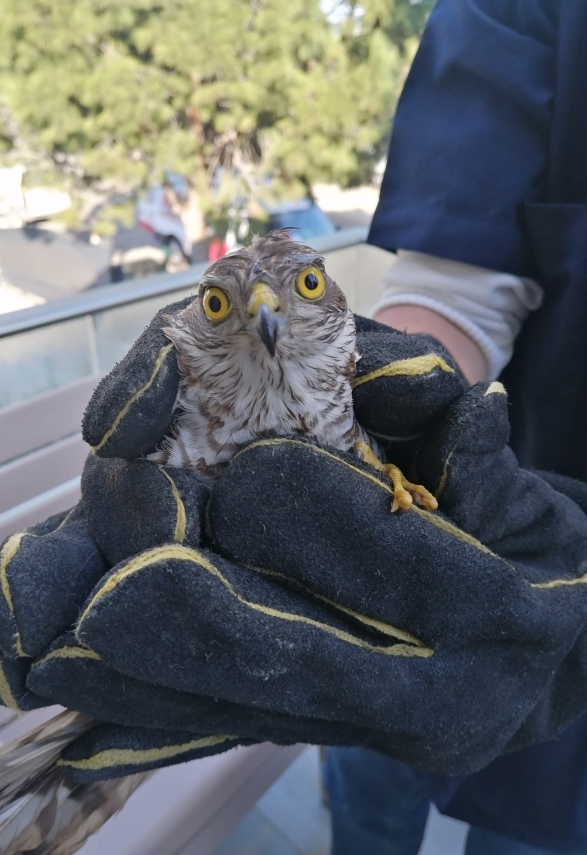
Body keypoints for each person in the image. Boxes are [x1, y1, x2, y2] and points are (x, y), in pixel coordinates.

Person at [324, 0, 587, 853]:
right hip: (415, 553)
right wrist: (365, 428)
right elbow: (455, 287)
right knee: (364, 772)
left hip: (562, 644)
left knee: (526, 828)